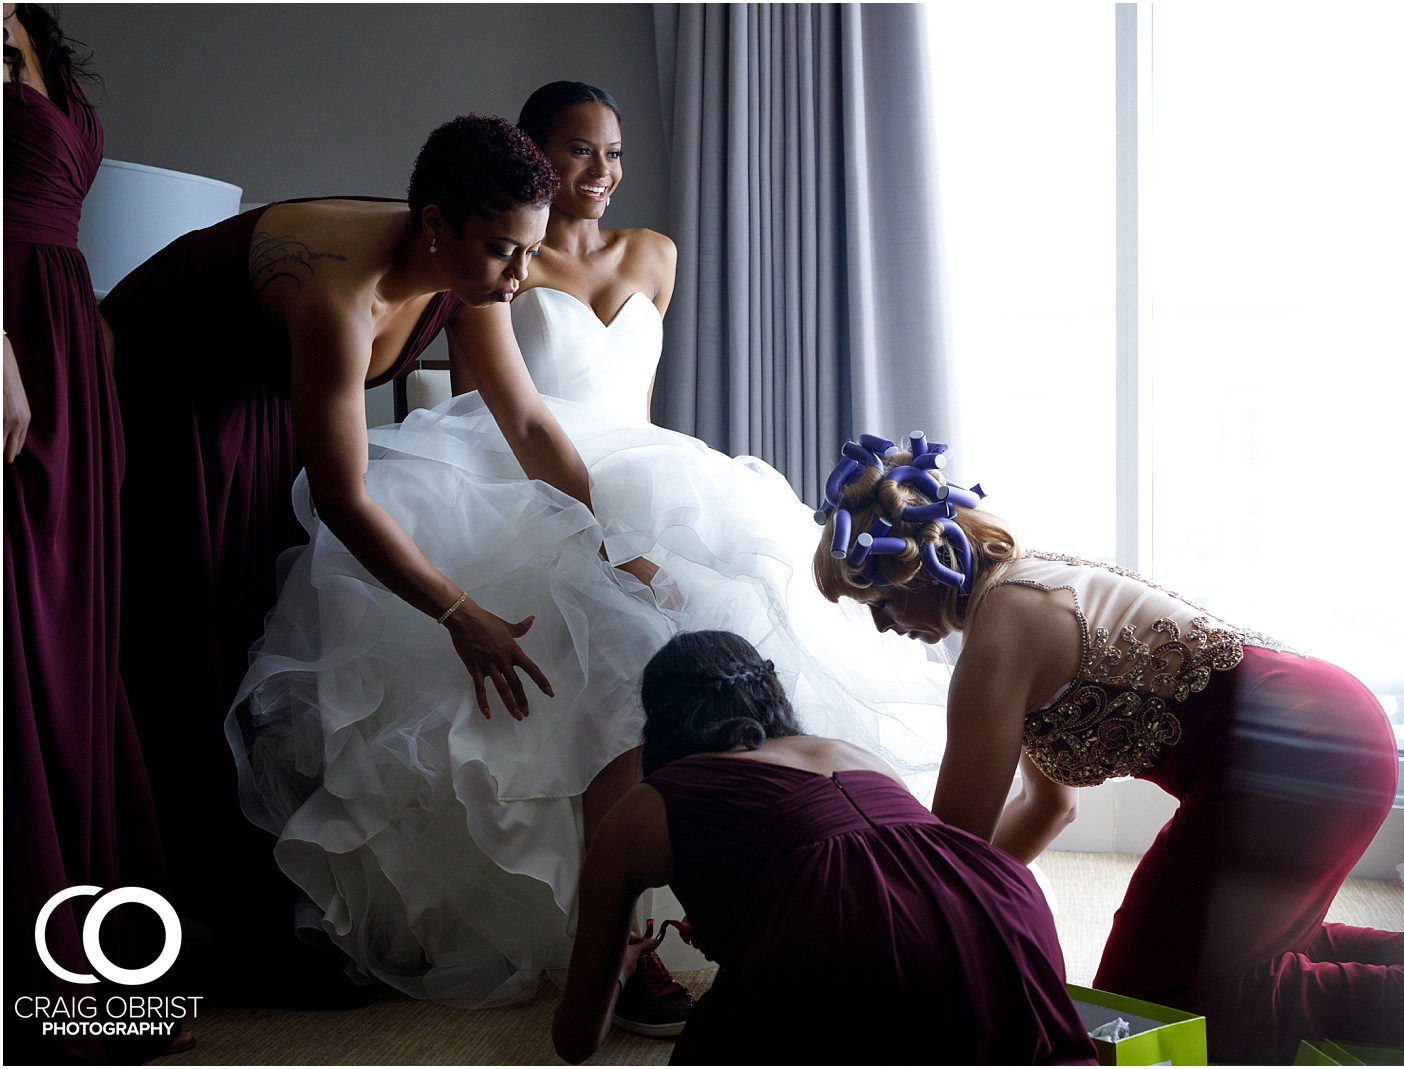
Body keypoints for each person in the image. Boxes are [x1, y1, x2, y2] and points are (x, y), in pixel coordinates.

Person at [228, 81, 948, 1022]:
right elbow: (498, 424)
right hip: (491, 464)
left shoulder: (602, 256)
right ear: (521, 167)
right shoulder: (445, 272)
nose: (600, 172)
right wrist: (509, 586)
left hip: (628, 468)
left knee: (719, 626)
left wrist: (621, 534)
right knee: (595, 655)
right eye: (578, 151)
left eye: (612, 153)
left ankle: (750, 901)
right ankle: (616, 935)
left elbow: (583, 412)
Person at [99, 113, 654, 1004]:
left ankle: (262, 904)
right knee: (191, 633)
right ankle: (222, 926)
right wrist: (458, 612)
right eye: (504, 252)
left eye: (531, 251)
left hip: (261, 399)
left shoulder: (474, 279)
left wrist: (604, 544)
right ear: (435, 224)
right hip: (162, 393)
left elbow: (532, 423)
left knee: (261, 613)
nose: (522, 276)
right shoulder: (340, 291)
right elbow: (344, 497)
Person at [812, 432, 1404, 1064]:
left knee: (1157, 995)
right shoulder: (1015, 597)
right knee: (1197, 958)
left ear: (926, 563)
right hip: (1325, 727)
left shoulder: (1001, 631)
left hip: (1299, 751)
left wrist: (866, 947)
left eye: (879, 600)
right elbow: (1050, 807)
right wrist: (963, 921)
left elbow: (950, 854)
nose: (882, 623)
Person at [551, 629, 1098, 1065]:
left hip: (840, 936)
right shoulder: (856, 754)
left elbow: (576, 1040)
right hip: (1003, 906)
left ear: (662, 724)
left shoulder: (647, 805)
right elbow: (886, 880)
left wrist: (622, 968)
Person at [2, 6, 187, 1061]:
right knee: (18, 638)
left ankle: (87, 964)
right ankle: (37, 971)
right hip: (10, 338)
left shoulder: (30, 30)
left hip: (65, 333)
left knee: (73, 647)